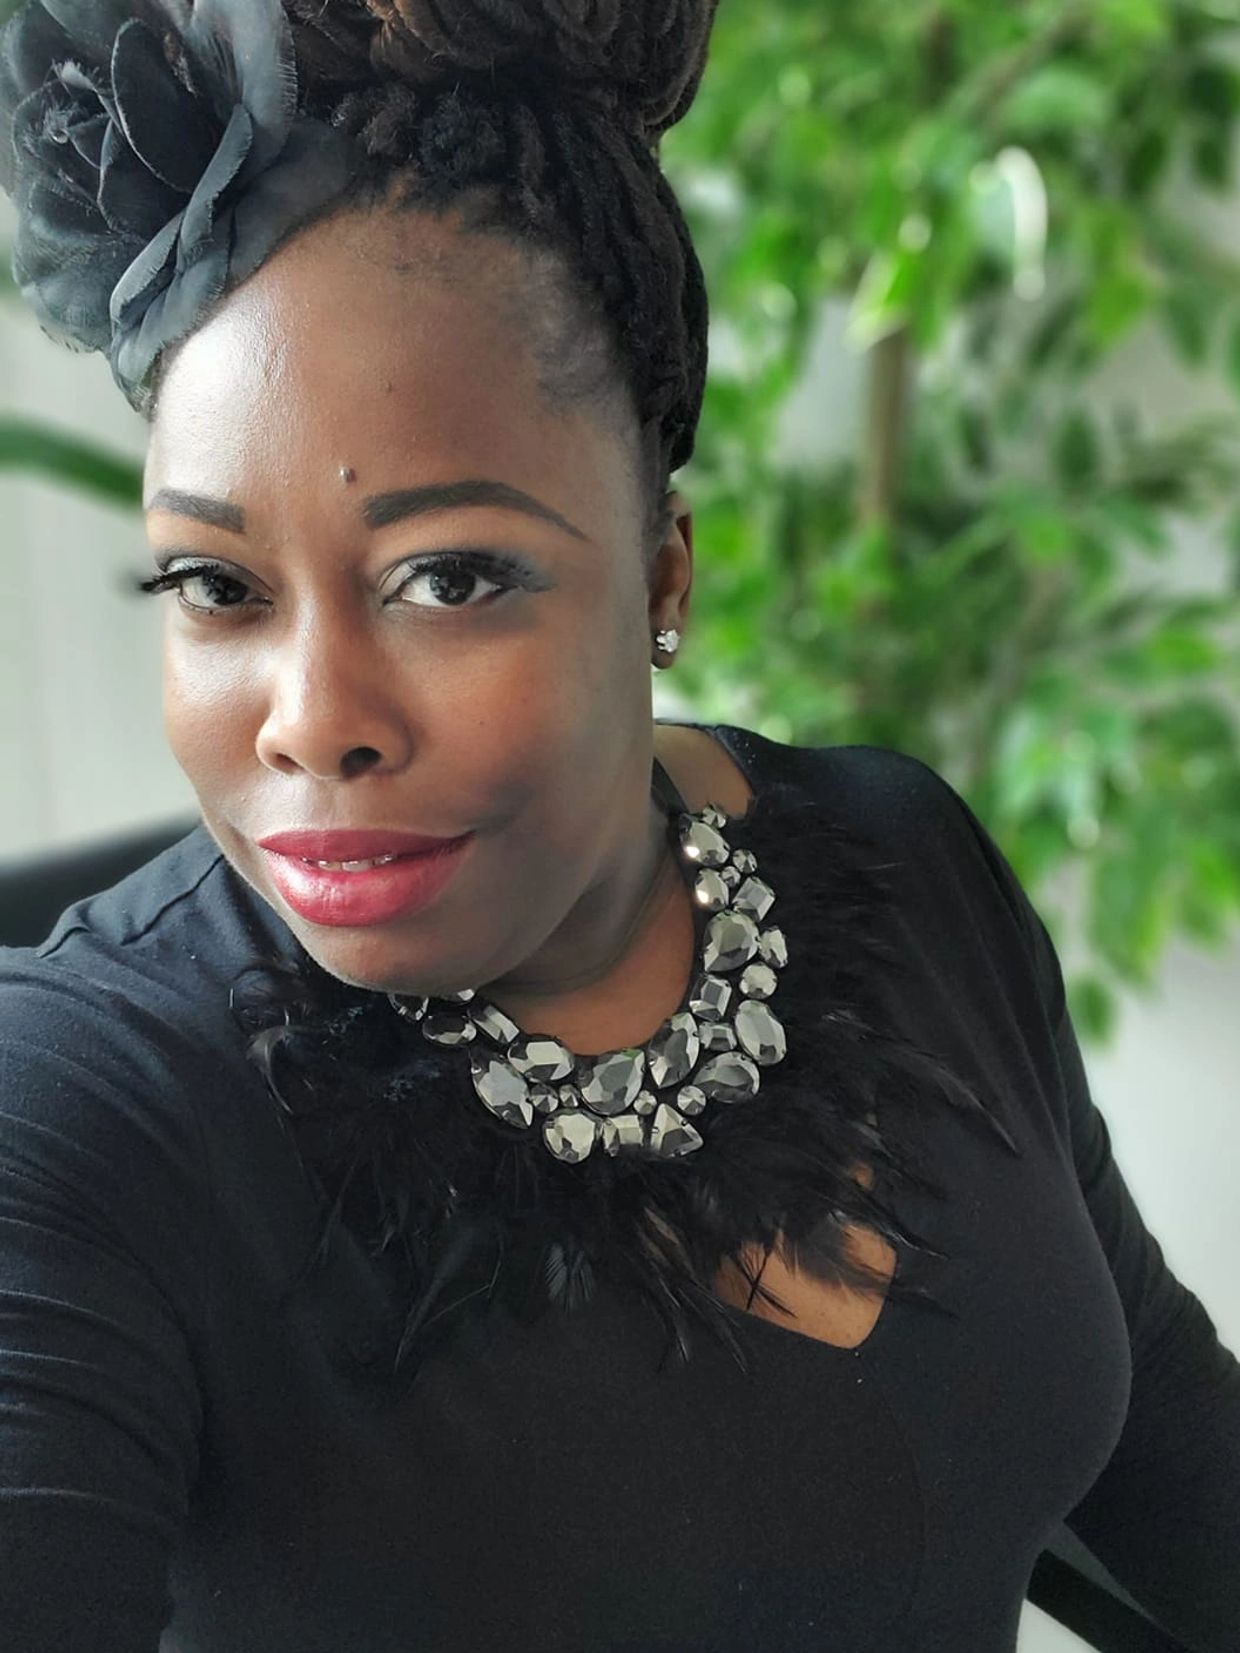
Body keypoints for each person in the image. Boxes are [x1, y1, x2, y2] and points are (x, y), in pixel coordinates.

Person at [1, 3, 1237, 1650]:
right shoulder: (79, 1119)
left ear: (663, 575)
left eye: (449, 576)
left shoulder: (908, 858)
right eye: (216, 585)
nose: (309, 718)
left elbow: (1170, 1448)